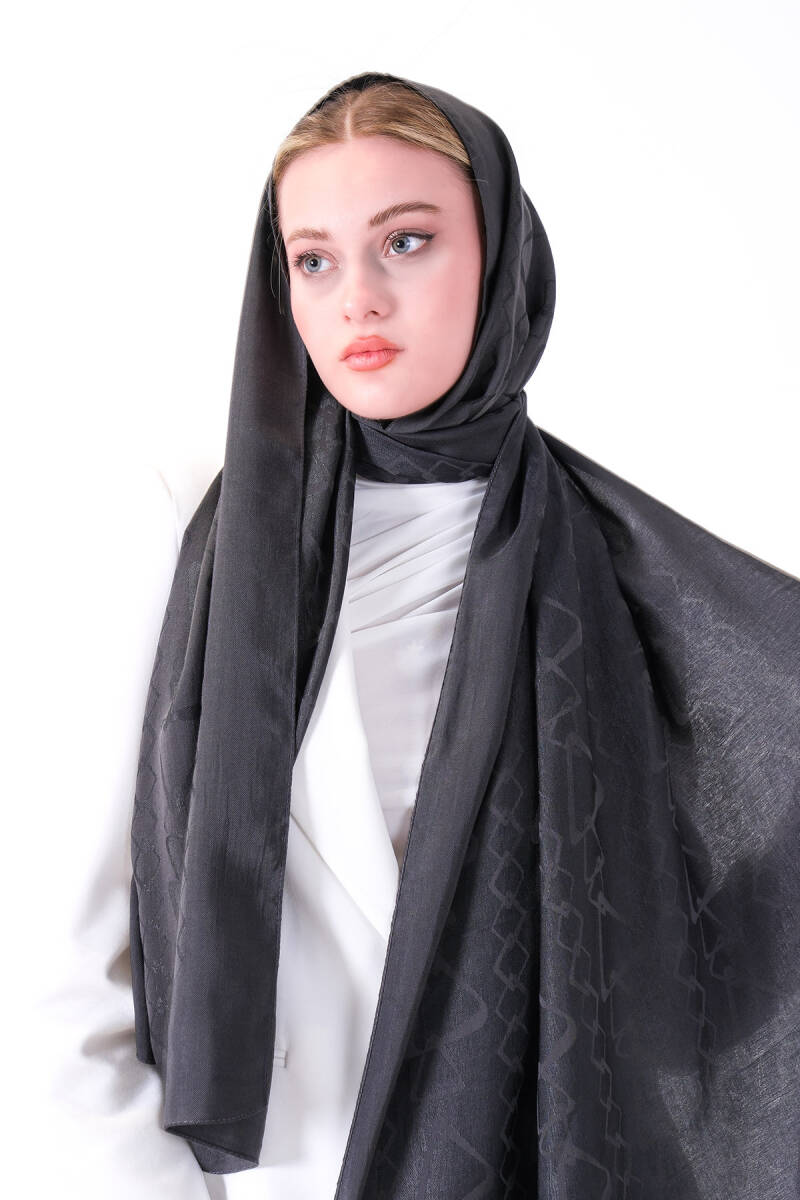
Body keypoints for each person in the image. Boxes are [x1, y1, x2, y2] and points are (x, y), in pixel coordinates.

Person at [124, 71, 799, 1199]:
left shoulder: (621, 565)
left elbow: (681, 965)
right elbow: (68, 959)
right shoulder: (191, 532)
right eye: (314, 260)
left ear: (501, 257)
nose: (357, 301)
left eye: (406, 242)